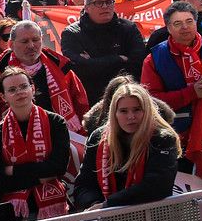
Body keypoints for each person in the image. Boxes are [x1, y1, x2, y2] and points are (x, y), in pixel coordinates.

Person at [142, 2, 202, 173]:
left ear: (196, 23)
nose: (185, 27)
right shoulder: (154, 59)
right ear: (168, 28)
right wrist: (191, 93)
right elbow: (151, 101)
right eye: (177, 23)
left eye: (189, 21)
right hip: (176, 138)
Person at [0, 65, 74, 221]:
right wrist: (39, 178)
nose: (19, 92)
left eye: (24, 86)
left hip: (53, 204)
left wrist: (12, 170)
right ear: (3, 97)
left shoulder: (56, 122)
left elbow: (58, 167)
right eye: (12, 90)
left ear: (33, 88)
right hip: (12, 212)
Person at [73, 80, 180, 210]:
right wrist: (94, 205)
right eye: (124, 111)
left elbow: (157, 186)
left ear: (147, 111)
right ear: (114, 113)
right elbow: (83, 186)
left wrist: (108, 206)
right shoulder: (98, 138)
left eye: (137, 110)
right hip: (107, 218)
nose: (131, 116)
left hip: (154, 216)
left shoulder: (163, 138)